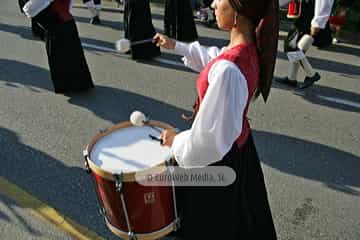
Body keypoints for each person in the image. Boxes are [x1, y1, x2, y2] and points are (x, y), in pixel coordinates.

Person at [153, 0, 278, 238]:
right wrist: (177, 46)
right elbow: (216, 58)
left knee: (211, 225)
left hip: (220, 160)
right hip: (240, 151)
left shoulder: (228, 72)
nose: (212, 4)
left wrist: (175, 140)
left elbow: (206, 144)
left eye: (219, 0)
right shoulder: (248, 50)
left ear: (238, 12)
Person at [23, 0, 94, 93]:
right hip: (68, 23)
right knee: (75, 55)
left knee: (59, 57)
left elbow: (29, 9)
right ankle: (82, 83)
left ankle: (67, 86)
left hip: (56, 25)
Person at [276, 0, 334, 89]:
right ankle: (291, 78)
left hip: (311, 18)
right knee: (298, 48)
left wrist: (318, 22)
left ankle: (312, 75)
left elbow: (325, 2)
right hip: (307, 15)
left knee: (291, 47)